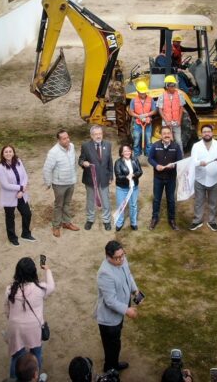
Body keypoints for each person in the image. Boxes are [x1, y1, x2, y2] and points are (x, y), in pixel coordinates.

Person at [5, 257, 55, 380]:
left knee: (17, 356)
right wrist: (47, 270)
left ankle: (13, 378)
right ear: (33, 272)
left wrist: (12, 319)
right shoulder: (40, 288)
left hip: (15, 327)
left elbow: (6, 310)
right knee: (36, 352)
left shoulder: (10, 289)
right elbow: (51, 286)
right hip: (34, 328)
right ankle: (35, 378)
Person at [95, 240, 140, 373]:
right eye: (117, 258)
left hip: (118, 315)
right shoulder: (105, 273)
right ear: (108, 257)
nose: (121, 260)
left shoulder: (122, 260)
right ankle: (110, 371)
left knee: (115, 344)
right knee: (111, 347)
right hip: (108, 320)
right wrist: (127, 310)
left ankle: (113, 364)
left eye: (122, 255)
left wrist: (135, 291)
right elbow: (110, 301)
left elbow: (128, 276)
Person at [190, 125, 217, 231]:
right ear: (201, 134)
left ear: (212, 133)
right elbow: (193, 161)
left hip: (215, 179)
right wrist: (199, 163)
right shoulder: (196, 146)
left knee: (213, 202)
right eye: (204, 132)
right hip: (200, 179)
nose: (207, 133)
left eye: (209, 131)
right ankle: (197, 220)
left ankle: (212, 221)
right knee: (198, 201)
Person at [43, 129, 79, 237]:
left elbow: (75, 161)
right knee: (59, 205)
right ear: (58, 140)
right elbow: (47, 168)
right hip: (59, 184)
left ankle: (66, 223)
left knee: (67, 204)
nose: (67, 140)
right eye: (64, 139)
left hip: (70, 181)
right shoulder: (53, 152)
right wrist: (48, 183)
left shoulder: (72, 146)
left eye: (67, 137)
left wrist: (74, 174)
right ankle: (56, 226)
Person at [0, 145, 35, 246]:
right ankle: (12, 237)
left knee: (27, 213)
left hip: (21, 194)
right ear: (2, 154)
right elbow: (5, 185)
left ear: (13, 153)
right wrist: (20, 188)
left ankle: (26, 234)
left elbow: (25, 176)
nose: (8, 153)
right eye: (6, 152)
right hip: (9, 196)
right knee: (10, 217)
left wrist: (22, 191)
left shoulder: (18, 161)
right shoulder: (0, 167)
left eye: (10, 151)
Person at [79, 125, 114, 231]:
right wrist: (83, 163)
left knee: (105, 200)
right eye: (96, 134)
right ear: (91, 135)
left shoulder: (108, 144)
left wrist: (111, 175)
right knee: (90, 200)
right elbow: (80, 159)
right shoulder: (85, 146)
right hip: (90, 179)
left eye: (100, 134)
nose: (98, 136)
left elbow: (110, 162)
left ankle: (106, 220)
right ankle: (90, 219)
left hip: (104, 178)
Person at [148, 126, 182, 230]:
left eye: (168, 133)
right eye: (164, 133)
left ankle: (172, 219)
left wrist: (174, 165)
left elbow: (180, 161)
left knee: (171, 199)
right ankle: (154, 218)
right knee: (157, 199)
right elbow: (150, 158)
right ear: (161, 135)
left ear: (171, 134)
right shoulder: (155, 146)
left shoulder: (176, 146)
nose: (167, 135)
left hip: (171, 178)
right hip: (158, 178)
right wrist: (156, 165)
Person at [113, 144, 142, 231]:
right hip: (122, 188)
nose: (127, 152)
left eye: (129, 150)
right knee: (121, 206)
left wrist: (133, 175)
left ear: (131, 151)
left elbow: (140, 171)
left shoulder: (135, 160)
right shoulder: (118, 162)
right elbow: (118, 176)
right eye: (125, 151)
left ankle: (133, 222)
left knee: (133, 205)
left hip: (134, 187)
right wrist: (126, 177)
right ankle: (119, 222)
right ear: (122, 153)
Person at [127, 81, 157, 158]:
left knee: (148, 140)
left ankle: (148, 156)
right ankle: (137, 156)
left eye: (144, 93)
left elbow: (154, 111)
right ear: (137, 92)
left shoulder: (151, 100)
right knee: (136, 140)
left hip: (148, 123)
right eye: (141, 93)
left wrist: (147, 115)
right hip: (137, 123)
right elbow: (131, 112)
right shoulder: (133, 100)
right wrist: (138, 116)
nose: (143, 94)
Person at [157, 75, 187, 150]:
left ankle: (181, 157)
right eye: (171, 86)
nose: (173, 87)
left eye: (174, 85)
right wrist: (166, 121)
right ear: (167, 86)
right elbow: (160, 109)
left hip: (176, 121)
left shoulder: (179, 95)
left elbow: (181, 108)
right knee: (167, 141)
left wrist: (179, 120)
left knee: (179, 141)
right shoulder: (162, 96)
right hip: (166, 122)